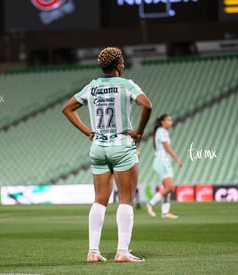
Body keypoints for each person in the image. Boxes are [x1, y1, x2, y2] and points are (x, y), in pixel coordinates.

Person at [62, 47, 152, 263]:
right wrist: (139, 132)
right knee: (126, 200)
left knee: (100, 200)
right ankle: (122, 251)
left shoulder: (92, 87)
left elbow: (67, 109)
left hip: (98, 147)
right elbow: (146, 105)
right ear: (119, 65)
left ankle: (93, 251)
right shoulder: (126, 84)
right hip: (121, 145)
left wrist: (88, 133)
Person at [147, 114, 182, 219]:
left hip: (165, 162)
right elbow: (166, 147)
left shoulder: (163, 132)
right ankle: (151, 204)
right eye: (168, 120)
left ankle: (165, 213)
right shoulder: (161, 131)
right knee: (170, 187)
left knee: (168, 188)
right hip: (161, 162)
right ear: (162, 122)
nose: (171, 122)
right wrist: (177, 159)